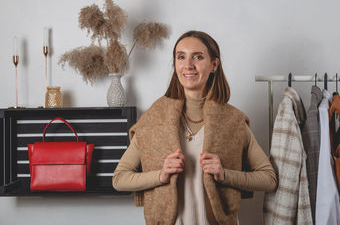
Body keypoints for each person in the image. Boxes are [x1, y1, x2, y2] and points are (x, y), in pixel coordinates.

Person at [112, 30, 277, 225]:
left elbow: (269, 179)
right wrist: (161, 175)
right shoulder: (154, 120)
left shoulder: (233, 121)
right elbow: (120, 179)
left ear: (214, 65)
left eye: (198, 57)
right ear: (175, 64)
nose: (188, 65)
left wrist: (224, 174)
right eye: (181, 57)